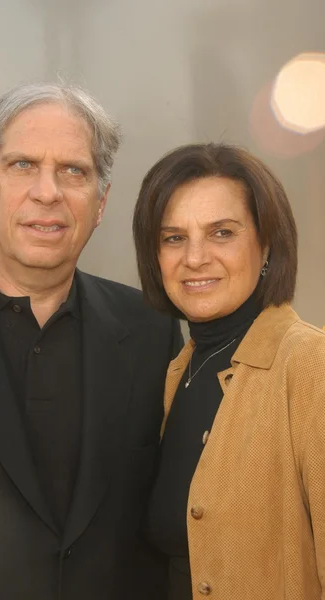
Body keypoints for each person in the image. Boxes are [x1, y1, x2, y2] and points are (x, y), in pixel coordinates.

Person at [0, 82, 182, 600]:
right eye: (23, 165)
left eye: (74, 171)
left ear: (101, 200)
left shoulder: (152, 329)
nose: (49, 192)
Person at [133, 143, 325, 600]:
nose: (195, 258)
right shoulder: (179, 369)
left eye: (221, 233)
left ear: (267, 247)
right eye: (173, 237)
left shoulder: (309, 367)